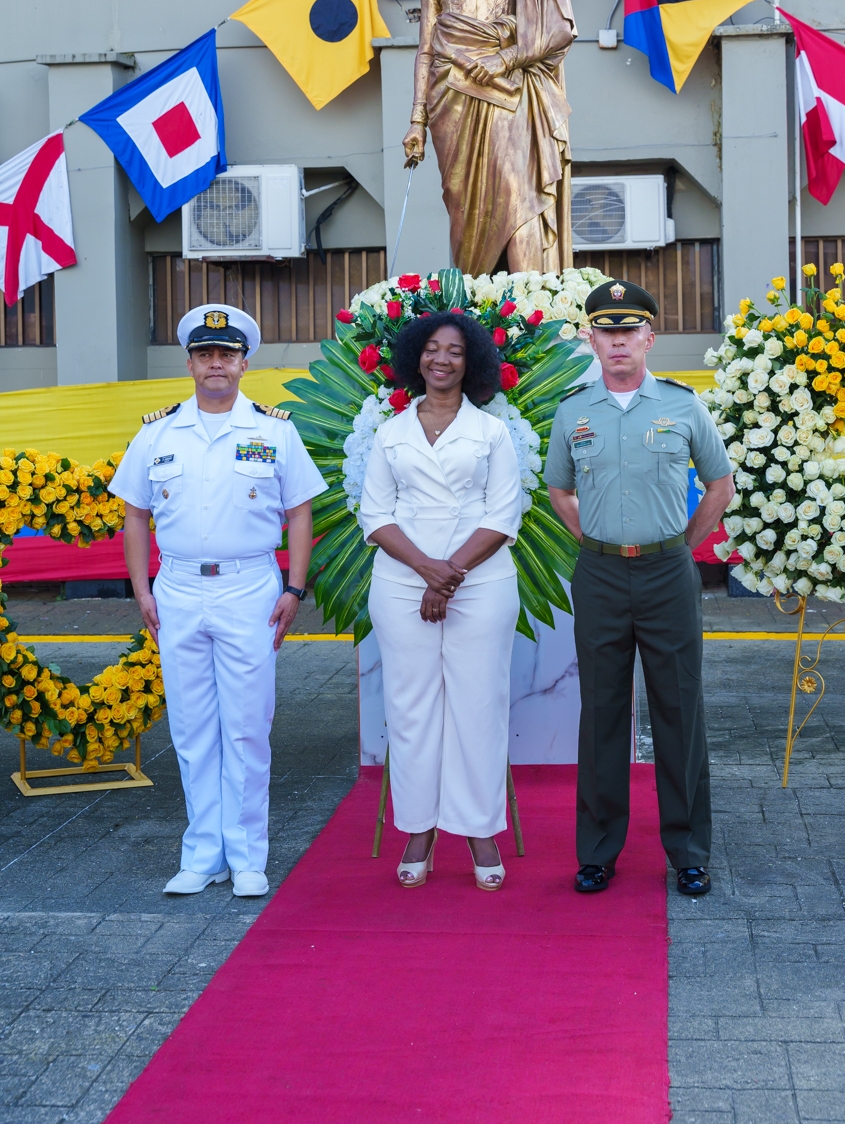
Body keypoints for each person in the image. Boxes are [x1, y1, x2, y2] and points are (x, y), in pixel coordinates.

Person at [111, 305, 327, 898]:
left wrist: (294, 586)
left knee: (248, 727)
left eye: (226, 355)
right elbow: (134, 512)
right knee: (192, 727)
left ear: (243, 363)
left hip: (249, 587)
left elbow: (300, 510)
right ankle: (203, 853)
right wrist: (141, 587)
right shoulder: (157, 432)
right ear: (189, 363)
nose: (215, 364)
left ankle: (248, 855)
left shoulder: (272, 429)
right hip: (177, 587)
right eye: (205, 354)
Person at [544, 281, 735, 898]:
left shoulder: (684, 407)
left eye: (630, 331)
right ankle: (599, 850)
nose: (618, 341)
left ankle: (688, 851)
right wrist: (591, 540)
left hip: (666, 572)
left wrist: (683, 542)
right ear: (591, 340)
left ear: (649, 338)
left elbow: (720, 485)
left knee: (679, 709)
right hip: (599, 573)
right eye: (607, 331)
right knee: (600, 710)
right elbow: (559, 490)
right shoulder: (573, 412)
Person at [359, 312, 523, 891]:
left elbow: (504, 516)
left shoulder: (492, 432)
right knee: (410, 708)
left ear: (471, 360)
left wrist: (446, 576)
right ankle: (419, 829)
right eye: (431, 349)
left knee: (478, 705)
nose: (442, 360)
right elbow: (374, 514)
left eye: (455, 351)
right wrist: (427, 571)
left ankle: (480, 830)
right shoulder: (390, 433)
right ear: (414, 359)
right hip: (403, 581)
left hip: (481, 582)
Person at [401, 0, 576, 276]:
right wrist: (417, 121)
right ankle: (481, 322)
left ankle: (534, 314)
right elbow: (427, 46)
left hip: (513, 93)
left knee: (521, 198)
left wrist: (506, 57)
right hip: (452, 101)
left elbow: (560, 27)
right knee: (466, 217)